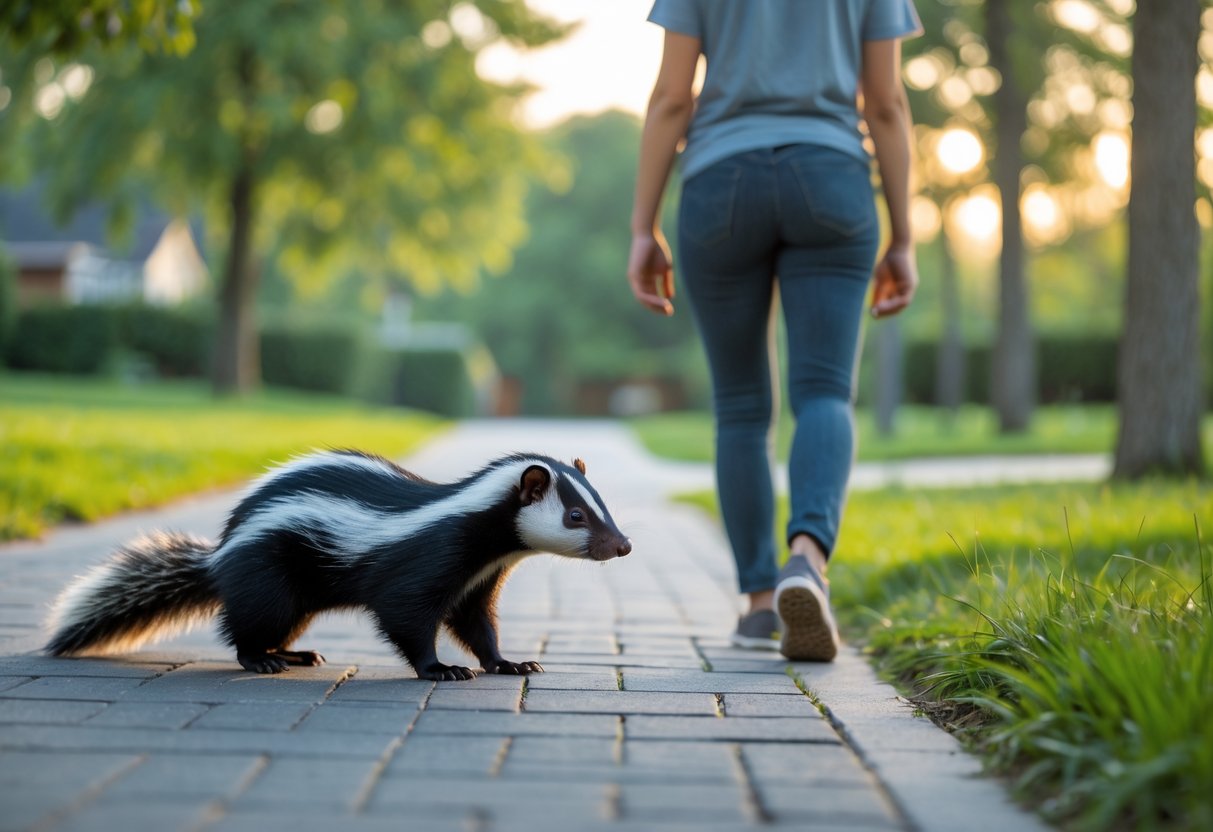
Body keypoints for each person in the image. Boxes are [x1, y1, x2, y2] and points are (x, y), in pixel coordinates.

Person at [628, 0, 922, 660]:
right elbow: (884, 103)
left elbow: (673, 97)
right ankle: (806, 559)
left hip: (718, 183)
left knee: (739, 409)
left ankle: (760, 606)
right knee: (822, 391)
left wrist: (642, 228)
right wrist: (902, 236)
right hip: (832, 175)